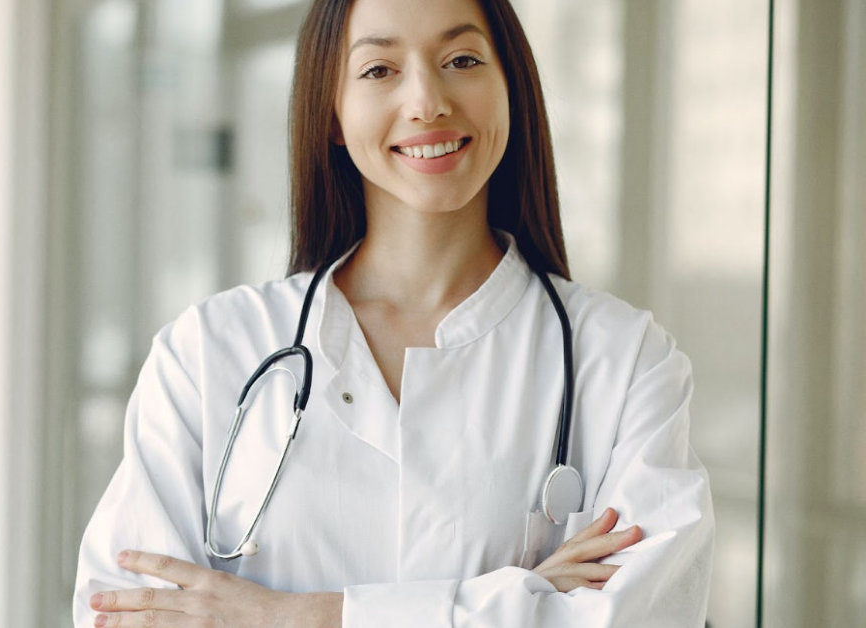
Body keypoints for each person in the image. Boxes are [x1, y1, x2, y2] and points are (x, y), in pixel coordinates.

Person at [74, 0, 714, 625]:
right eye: (379, 70)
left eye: (462, 59)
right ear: (332, 110)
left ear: (510, 86)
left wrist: (288, 617)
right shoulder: (210, 353)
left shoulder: (625, 361)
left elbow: (656, 614)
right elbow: (123, 611)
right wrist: (526, 599)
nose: (428, 101)